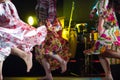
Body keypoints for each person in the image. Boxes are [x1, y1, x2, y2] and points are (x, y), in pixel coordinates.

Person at [0, 0, 47, 79]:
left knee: (4, 37)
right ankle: (23, 55)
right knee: (3, 42)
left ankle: (24, 55)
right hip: (5, 7)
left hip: (3, 7)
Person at [84, 0, 120, 80]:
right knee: (100, 53)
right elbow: (97, 7)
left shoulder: (103, 1)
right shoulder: (101, 1)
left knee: (100, 50)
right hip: (112, 27)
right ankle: (108, 75)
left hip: (108, 28)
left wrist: (100, 28)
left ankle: (108, 74)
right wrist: (93, 11)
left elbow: (103, 13)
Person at [35, 0, 71, 80]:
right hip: (41, 26)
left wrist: (48, 26)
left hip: (46, 26)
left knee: (42, 50)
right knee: (40, 53)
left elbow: (52, 13)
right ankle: (48, 75)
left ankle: (61, 61)